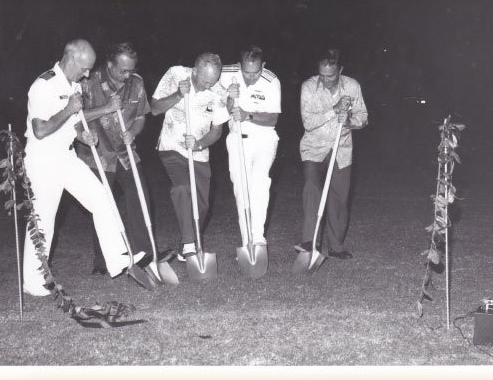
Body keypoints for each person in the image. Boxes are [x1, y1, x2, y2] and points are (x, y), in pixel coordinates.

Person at [22, 39, 145, 296]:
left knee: (102, 198)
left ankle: (117, 259)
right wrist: (69, 109)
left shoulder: (74, 85)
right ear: (72, 59)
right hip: (43, 160)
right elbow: (41, 130)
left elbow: (75, 125)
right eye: (86, 68)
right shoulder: (43, 85)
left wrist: (83, 137)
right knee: (44, 219)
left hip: (67, 158)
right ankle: (34, 283)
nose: (88, 73)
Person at [75, 42, 162, 275]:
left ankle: (145, 253)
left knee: (140, 197)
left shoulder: (137, 82)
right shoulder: (87, 81)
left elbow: (142, 116)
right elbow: (74, 117)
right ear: (110, 64)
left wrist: (133, 132)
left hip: (125, 154)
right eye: (122, 70)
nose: (127, 75)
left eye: (131, 70)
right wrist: (106, 108)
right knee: (103, 205)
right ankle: (102, 261)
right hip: (97, 155)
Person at [151, 53, 229, 261]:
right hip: (171, 146)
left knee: (202, 205)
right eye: (205, 81)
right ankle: (188, 245)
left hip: (199, 152)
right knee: (183, 188)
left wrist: (200, 143)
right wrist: (178, 94)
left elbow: (217, 130)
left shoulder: (218, 91)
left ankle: (188, 240)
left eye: (213, 81)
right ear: (194, 71)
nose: (209, 86)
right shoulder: (175, 73)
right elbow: (155, 108)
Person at [296, 48, 368, 259]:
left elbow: (363, 116)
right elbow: (308, 123)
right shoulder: (308, 87)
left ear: (340, 70)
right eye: (322, 75)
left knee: (339, 198)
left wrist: (349, 121)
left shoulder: (352, 86)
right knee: (312, 189)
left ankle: (336, 247)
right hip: (313, 148)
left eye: (331, 76)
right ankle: (310, 242)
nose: (326, 80)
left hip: (341, 150)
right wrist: (334, 110)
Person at [220, 45, 281, 249]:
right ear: (239, 66)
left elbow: (273, 119)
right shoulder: (226, 73)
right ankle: (246, 240)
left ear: (263, 66)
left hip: (264, 137)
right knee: (241, 188)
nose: (251, 77)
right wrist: (229, 97)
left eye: (256, 72)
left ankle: (258, 237)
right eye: (246, 72)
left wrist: (248, 115)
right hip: (237, 138)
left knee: (260, 185)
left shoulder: (271, 81)